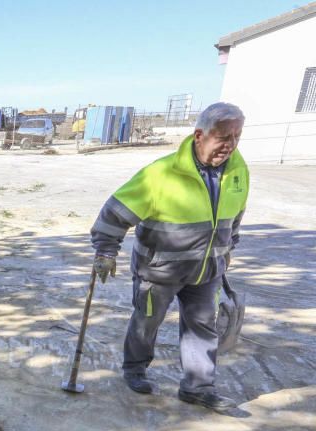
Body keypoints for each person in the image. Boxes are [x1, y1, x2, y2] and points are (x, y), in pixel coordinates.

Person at [90, 102, 248, 413]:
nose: (229, 145)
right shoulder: (161, 173)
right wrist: (106, 251)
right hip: (159, 270)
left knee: (203, 325)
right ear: (199, 135)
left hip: (206, 271)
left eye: (236, 137)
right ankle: (135, 369)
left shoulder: (239, 172)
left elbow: (236, 217)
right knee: (147, 320)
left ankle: (198, 387)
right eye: (222, 137)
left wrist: (228, 249)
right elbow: (114, 212)